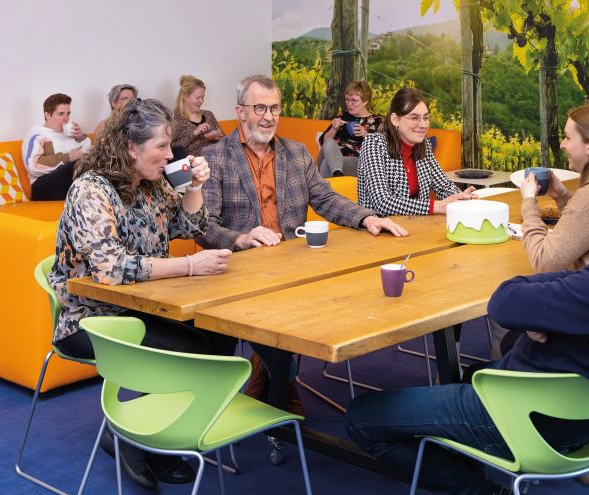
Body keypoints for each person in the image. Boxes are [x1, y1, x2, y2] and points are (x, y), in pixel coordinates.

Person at [345, 135, 589, 495]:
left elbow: (506, 300)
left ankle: (476, 492)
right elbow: (571, 289)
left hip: (530, 417)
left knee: (361, 418)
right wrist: (556, 312)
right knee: (473, 374)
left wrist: (548, 311)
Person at [48, 98, 236, 492]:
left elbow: (191, 224)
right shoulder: (90, 190)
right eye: (162, 147)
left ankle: (160, 434)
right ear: (131, 148)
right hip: (91, 320)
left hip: (146, 307)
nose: (171, 155)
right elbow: (112, 269)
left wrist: (194, 186)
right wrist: (189, 267)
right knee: (193, 349)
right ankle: (129, 434)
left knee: (222, 337)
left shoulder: (150, 184)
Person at [196, 74, 408, 413]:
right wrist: (241, 237)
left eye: (275, 108)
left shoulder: (296, 153)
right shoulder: (215, 157)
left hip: (293, 269)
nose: (268, 116)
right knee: (276, 339)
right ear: (240, 111)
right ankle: (281, 392)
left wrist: (367, 217)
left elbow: (325, 198)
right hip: (238, 273)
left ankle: (267, 374)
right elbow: (202, 225)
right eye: (260, 108)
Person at [520, 102, 589, 273]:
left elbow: (542, 261)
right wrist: (562, 197)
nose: (562, 144)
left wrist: (528, 202)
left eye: (568, 137)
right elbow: (588, 226)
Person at [356, 87, 475, 216]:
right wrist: (436, 206)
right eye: (414, 118)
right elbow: (382, 202)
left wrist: (462, 199)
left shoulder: (424, 145)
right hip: (377, 228)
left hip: (416, 225)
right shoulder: (374, 143)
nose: (423, 125)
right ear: (395, 119)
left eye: (426, 118)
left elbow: (443, 185)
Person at [21, 93, 91, 201]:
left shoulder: (69, 132)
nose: (66, 118)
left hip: (68, 181)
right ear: (47, 115)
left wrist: (81, 138)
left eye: (68, 113)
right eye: (61, 114)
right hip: (43, 186)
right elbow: (33, 165)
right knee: (77, 165)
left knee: (99, 160)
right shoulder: (38, 134)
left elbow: (88, 154)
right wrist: (67, 157)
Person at [317, 80, 383, 177]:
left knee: (326, 164)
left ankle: (336, 174)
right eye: (347, 99)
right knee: (330, 144)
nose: (349, 103)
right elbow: (325, 144)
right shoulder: (342, 116)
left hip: (356, 163)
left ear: (365, 101)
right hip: (332, 157)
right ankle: (338, 175)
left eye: (354, 100)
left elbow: (383, 150)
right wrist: (334, 129)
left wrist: (366, 135)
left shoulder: (378, 121)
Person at [171, 74, 224, 156]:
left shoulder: (208, 114)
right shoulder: (175, 120)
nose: (201, 101)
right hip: (197, 165)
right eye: (198, 97)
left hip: (219, 157)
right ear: (184, 96)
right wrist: (194, 133)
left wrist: (217, 135)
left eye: (203, 97)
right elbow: (172, 149)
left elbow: (223, 138)